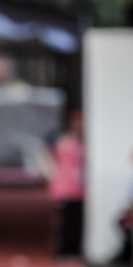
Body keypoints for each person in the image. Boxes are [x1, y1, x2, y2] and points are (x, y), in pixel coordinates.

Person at [48, 110, 85, 259]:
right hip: (64, 188)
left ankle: (73, 250)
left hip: (78, 189)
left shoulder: (81, 144)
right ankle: (62, 252)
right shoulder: (64, 143)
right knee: (64, 222)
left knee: (75, 221)